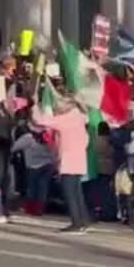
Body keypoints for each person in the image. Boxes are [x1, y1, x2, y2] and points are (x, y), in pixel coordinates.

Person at [32, 95, 92, 233]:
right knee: (77, 193)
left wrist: (35, 105)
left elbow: (39, 120)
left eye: (57, 106)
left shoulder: (66, 120)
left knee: (70, 194)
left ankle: (76, 223)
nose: (55, 108)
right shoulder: (80, 118)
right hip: (79, 159)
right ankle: (83, 220)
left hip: (68, 160)